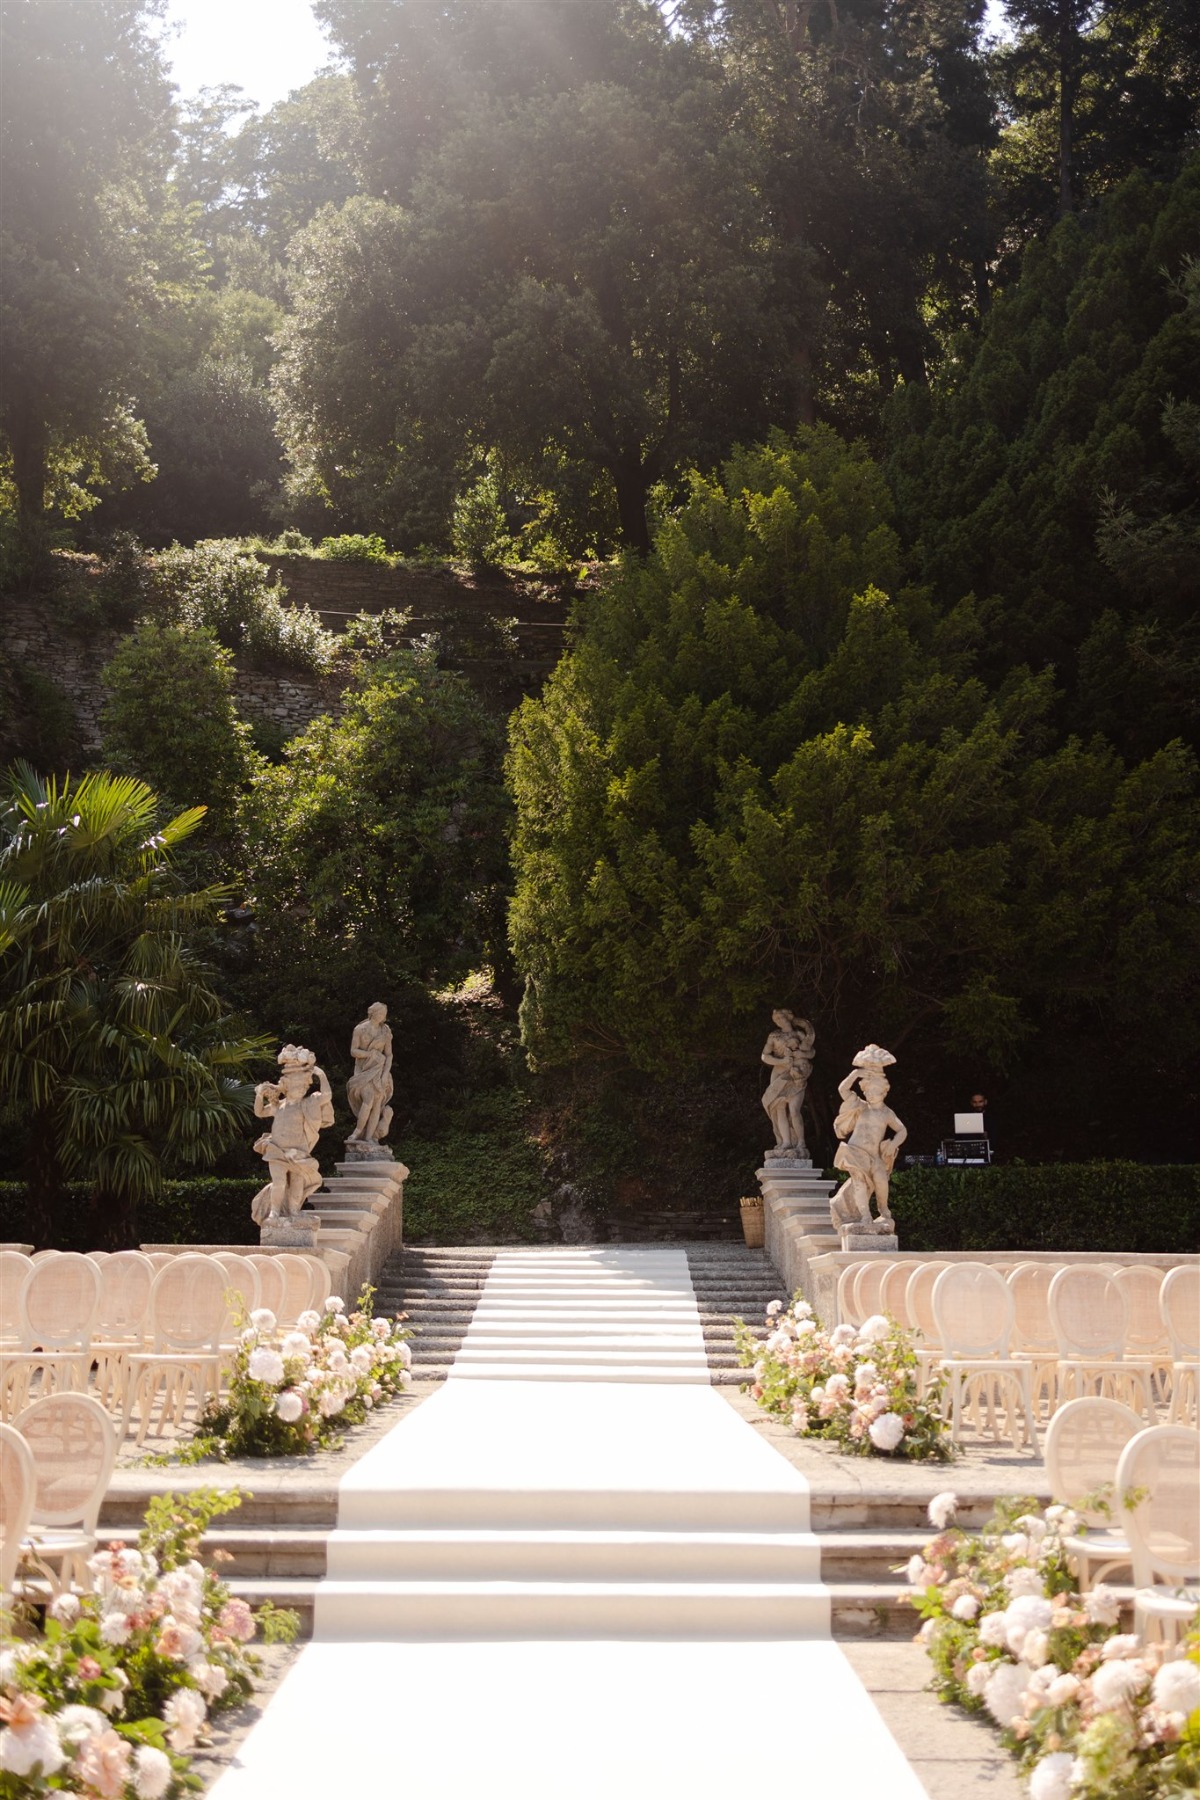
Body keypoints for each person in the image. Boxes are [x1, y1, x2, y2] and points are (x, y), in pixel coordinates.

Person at [250, 1046, 334, 1224]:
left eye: (303, 1085)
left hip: (298, 1153)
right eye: (296, 1085)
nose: (301, 1089)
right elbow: (259, 1112)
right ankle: (274, 1212)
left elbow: (326, 1095)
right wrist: (259, 1095)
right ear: (286, 1086)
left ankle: (294, 1211)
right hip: (277, 1151)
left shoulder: (307, 1104)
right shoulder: (278, 1106)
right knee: (279, 1182)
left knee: (297, 1183)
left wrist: (321, 1075)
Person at [829, 1047, 907, 1234]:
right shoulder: (861, 1106)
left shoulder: (887, 1113)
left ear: (884, 1092)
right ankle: (865, 1216)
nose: (870, 1094)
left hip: (874, 1156)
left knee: (881, 1181)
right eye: (868, 1091)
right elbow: (843, 1089)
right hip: (855, 1152)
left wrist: (894, 1144)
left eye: (874, 1091)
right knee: (859, 1182)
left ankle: (882, 1208)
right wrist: (857, 1073)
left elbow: (902, 1130)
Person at [761, 1010, 815, 1160]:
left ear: (788, 1017)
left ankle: (801, 1143)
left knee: (794, 1109)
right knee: (779, 1108)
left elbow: (811, 1053)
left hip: (796, 1072)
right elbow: (765, 1055)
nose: (779, 1020)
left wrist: (800, 1055)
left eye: (781, 1017)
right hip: (779, 1073)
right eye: (776, 1018)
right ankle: (785, 1142)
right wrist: (781, 1061)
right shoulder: (774, 1036)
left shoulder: (799, 1034)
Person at [347, 1002, 394, 1148]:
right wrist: (370, 1055)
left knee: (376, 1104)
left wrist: (386, 1074)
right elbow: (353, 1051)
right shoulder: (360, 1029)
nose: (382, 1016)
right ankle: (358, 1131)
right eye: (380, 1013)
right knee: (368, 1099)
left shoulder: (385, 1031)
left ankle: (370, 1138)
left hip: (380, 1071)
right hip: (363, 1070)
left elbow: (389, 1055)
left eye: (384, 1014)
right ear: (372, 1013)